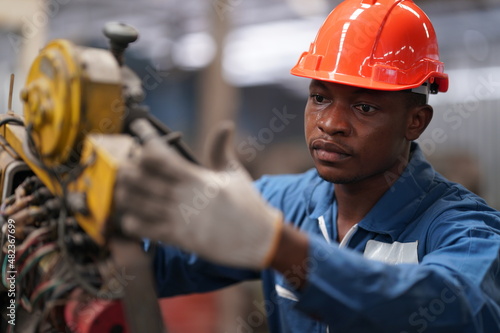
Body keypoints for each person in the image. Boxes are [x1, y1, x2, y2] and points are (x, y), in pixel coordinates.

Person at [115, 0, 500, 332]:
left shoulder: (466, 231)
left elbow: (448, 308)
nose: (330, 123)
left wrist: (278, 245)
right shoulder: (279, 203)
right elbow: (153, 266)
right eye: (319, 97)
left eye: (364, 107)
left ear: (415, 121)